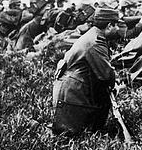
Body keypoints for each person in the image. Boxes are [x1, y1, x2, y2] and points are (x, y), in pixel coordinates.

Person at [51, 7, 122, 137]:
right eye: (117, 25)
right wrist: (116, 83)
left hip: (70, 95)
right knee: (75, 137)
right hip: (73, 99)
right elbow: (106, 75)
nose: (118, 29)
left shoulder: (92, 35)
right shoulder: (95, 42)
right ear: (109, 25)